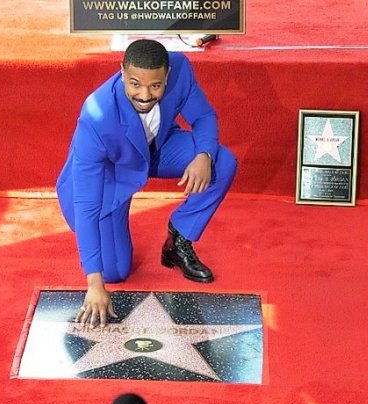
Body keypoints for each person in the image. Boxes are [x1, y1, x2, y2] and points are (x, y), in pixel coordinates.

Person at [56, 39, 237, 328]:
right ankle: (114, 232)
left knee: (221, 162)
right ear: (122, 73)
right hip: (109, 179)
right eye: (135, 84)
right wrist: (94, 283)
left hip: (155, 149)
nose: (144, 95)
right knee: (114, 272)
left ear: (166, 76)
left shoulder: (180, 69)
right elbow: (86, 204)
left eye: (156, 86)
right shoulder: (95, 117)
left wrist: (203, 155)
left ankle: (178, 238)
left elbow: (203, 116)